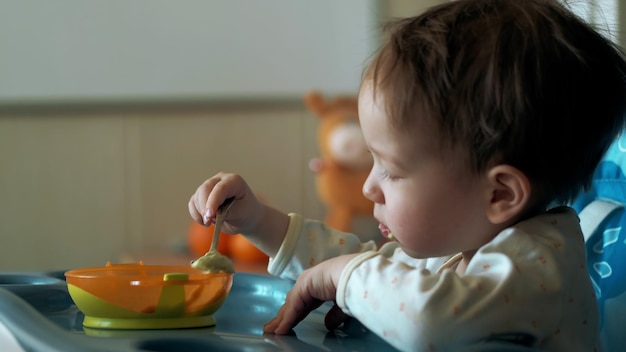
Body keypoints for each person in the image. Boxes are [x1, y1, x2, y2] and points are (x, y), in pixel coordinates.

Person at [188, 0, 626, 350]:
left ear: (499, 193)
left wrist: (345, 278)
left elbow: (427, 318)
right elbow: (364, 267)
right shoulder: (462, 240)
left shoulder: (538, 267)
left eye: (392, 170)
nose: (367, 186)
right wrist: (258, 221)